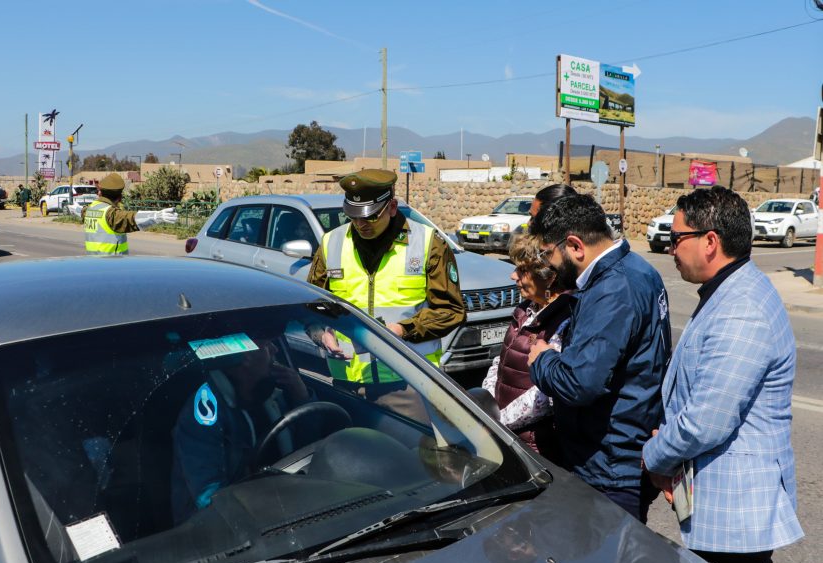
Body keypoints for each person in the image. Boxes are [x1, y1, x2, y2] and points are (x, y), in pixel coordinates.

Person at [642, 186, 803, 563]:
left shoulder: (742, 308)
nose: (671, 248)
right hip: (724, 513)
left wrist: (655, 456)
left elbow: (706, 421)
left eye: (678, 238)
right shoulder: (729, 290)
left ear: (710, 242)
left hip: (736, 519)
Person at [526, 192, 671, 523]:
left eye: (549, 253)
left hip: (609, 467)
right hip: (620, 456)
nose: (547, 264)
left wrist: (542, 360)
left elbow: (580, 383)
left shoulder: (612, 290)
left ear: (575, 246)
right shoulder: (636, 269)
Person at [306, 169, 465, 397]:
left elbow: (451, 311)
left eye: (370, 216)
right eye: (353, 215)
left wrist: (402, 330)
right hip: (348, 381)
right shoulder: (332, 242)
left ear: (391, 207)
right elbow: (312, 306)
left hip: (409, 380)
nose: (361, 224)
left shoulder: (428, 243)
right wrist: (321, 335)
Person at [171, 337, 313, 523]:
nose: (275, 349)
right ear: (244, 356)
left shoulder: (276, 392)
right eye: (266, 343)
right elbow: (209, 498)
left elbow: (313, 448)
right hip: (225, 529)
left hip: (291, 502)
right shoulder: (204, 413)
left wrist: (301, 397)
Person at [481, 233, 574, 463]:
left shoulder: (564, 319)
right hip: (504, 433)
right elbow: (500, 360)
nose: (514, 276)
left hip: (535, 445)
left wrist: (499, 421)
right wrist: (487, 402)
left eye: (522, 271)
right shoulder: (526, 310)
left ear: (549, 277)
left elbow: (544, 396)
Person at [81, 172, 178, 255]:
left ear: (100, 193)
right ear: (120, 197)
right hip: (111, 267)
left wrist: (75, 209)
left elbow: (81, 211)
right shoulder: (110, 214)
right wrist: (155, 216)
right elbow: (130, 218)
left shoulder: (90, 209)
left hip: (92, 265)